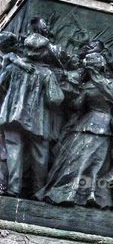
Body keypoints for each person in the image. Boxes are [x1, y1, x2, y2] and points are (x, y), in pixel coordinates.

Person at [38, 47, 113, 207]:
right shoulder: (110, 85)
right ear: (102, 66)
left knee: (79, 161)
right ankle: (91, 195)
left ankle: (69, 193)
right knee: (97, 164)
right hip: (106, 127)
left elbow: (76, 106)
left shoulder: (88, 87)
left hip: (87, 124)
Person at [0, 33, 65, 197]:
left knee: (14, 149)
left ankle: (14, 188)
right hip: (38, 119)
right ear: (43, 52)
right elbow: (55, 99)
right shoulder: (47, 73)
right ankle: (38, 191)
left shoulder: (12, 67)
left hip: (11, 114)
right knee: (40, 153)